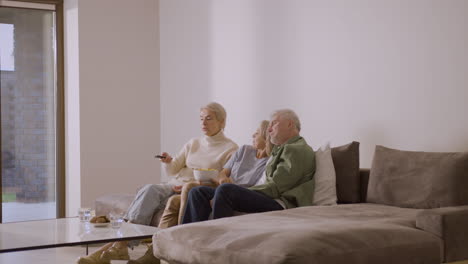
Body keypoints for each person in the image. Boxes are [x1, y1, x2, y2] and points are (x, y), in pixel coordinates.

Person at [77, 102, 238, 264]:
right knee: (148, 189)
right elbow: (174, 169)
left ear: (222, 121)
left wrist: (196, 183)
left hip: (192, 190)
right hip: (173, 185)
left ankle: (117, 247)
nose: (203, 123)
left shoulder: (230, 148)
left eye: (208, 119)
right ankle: (119, 246)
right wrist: (168, 161)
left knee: (149, 191)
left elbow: (222, 180)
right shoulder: (194, 143)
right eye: (201, 119)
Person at [182, 109, 316, 224]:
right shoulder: (283, 149)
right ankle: (186, 238)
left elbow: (276, 187)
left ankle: (218, 241)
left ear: (289, 124)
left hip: (281, 203)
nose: (269, 130)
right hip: (270, 197)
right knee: (198, 192)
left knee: (226, 190)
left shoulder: (296, 149)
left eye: (274, 124)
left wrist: (241, 190)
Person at [158, 120, 273, 228]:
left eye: (257, 133)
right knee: (196, 191)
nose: (253, 135)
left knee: (220, 189)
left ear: (265, 138)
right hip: (223, 186)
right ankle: (187, 233)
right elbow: (223, 172)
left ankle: (212, 233)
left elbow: (256, 187)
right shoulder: (244, 150)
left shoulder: (269, 161)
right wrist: (223, 179)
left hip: (239, 193)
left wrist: (228, 185)